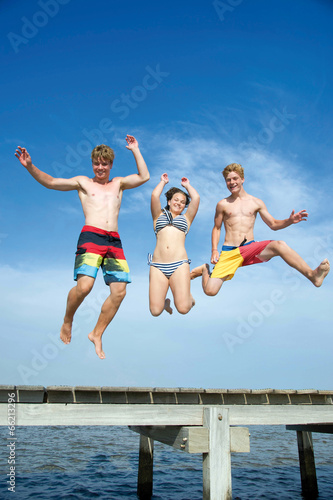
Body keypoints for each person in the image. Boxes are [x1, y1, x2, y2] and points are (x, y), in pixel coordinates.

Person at [15, 135, 150, 359]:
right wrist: (30, 166)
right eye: (96, 163)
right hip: (91, 236)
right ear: (92, 164)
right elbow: (51, 182)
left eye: (104, 163)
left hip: (114, 240)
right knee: (85, 287)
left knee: (120, 291)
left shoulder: (118, 183)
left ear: (110, 165)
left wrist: (135, 149)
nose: (100, 167)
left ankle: (97, 333)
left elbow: (144, 176)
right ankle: (68, 320)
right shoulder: (83, 182)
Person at [191, 163, 330, 295]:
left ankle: (312, 275)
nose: (232, 182)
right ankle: (205, 269)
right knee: (210, 291)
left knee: (279, 245)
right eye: (228, 180)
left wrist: (289, 221)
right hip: (230, 252)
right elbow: (216, 228)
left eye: (235, 178)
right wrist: (214, 250)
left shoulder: (256, 202)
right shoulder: (222, 204)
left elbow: (273, 224)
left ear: (242, 179)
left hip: (250, 248)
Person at [148, 173, 200, 316]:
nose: (179, 203)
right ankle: (165, 303)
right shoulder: (158, 216)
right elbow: (154, 196)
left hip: (179, 264)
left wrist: (187, 186)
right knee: (155, 311)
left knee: (183, 309)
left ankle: (189, 298)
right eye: (176, 200)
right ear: (169, 201)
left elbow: (196, 198)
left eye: (183, 202)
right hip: (158, 265)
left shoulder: (186, 219)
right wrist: (163, 182)